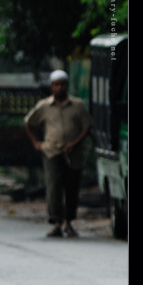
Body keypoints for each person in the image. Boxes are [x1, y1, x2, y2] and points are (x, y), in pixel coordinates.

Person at [24, 70, 93, 238]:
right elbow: (29, 122)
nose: (60, 87)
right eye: (57, 84)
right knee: (54, 186)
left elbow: (87, 126)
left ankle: (69, 222)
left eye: (63, 84)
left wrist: (74, 143)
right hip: (52, 150)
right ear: (52, 87)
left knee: (72, 186)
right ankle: (56, 223)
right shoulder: (44, 106)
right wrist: (36, 142)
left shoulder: (78, 105)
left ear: (67, 86)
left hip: (73, 152)